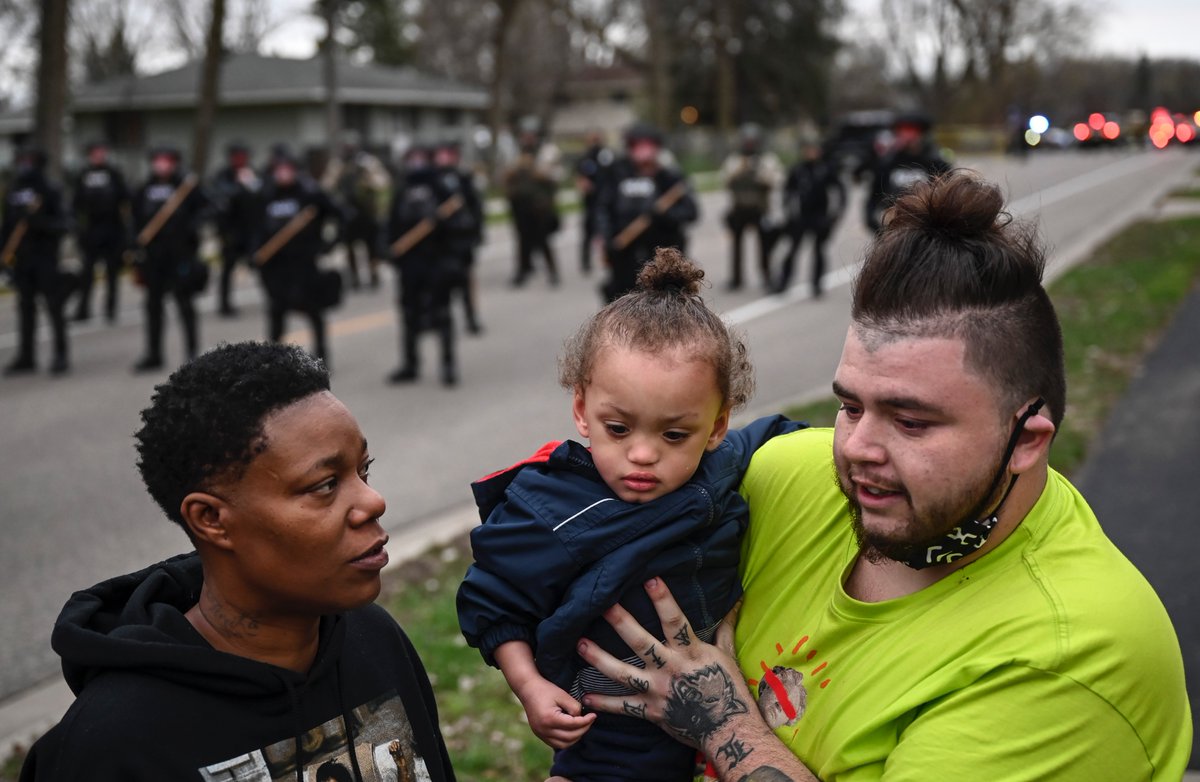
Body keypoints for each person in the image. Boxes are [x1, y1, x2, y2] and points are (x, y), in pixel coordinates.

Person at [576, 171, 1192, 781]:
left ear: (1024, 441)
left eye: (912, 421)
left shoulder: (1072, 655)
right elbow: (582, 488)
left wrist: (723, 725)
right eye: (850, 406)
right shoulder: (787, 475)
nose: (856, 449)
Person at [18, 341, 456, 781]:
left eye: (364, 470)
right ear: (211, 519)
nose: (373, 501)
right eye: (324, 485)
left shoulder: (374, 638)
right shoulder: (110, 743)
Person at [457, 247, 805, 781]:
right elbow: (492, 600)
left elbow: (791, 439)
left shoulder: (726, 460)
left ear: (715, 426)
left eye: (673, 434)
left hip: (740, 717)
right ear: (581, 410)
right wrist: (529, 686)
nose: (642, 454)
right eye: (618, 429)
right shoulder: (551, 509)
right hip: (614, 744)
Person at [254, 147, 342, 365]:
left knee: (313, 310)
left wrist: (329, 244)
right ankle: (272, 360)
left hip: (304, 263)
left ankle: (322, 356)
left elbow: (340, 215)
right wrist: (254, 252)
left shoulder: (309, 194)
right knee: (276, 312)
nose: (283, 174)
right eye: (279, 169)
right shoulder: (266, 196)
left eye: (287, 169)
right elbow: (254, 229)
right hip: (276, 266)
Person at [595, 124, 698, 304]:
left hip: (662, 259)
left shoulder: (670, 176)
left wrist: (665, 215)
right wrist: (607, 237)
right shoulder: (617, 174)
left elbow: (691, 212)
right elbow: (603, 208)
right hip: (625, 255)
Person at [129, 145, 210, 373]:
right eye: (158, 160)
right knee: (153, 305)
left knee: (184, 303)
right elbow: (134, 219)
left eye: (167, 160)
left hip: (180, 255)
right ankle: (154, 353)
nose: (162, 165)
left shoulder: (187, 187)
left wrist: (192, 226)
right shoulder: (145, 188)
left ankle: (193, 354)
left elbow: (207, 209)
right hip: (154, 257)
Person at [386, 145, 461, 387]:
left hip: (436, 262)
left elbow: (462, 221)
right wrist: (386, 249)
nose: (416, 163)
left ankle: (448, 364)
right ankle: (410, 364)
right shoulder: (402, 189)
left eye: (421, 158)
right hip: (410, 264)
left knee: (442, 312)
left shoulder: (441, 188)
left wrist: (442, 224)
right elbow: (390, 223)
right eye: (412, 158)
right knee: (409, 313)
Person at [1, 144, 70, 375]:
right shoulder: (15, 191)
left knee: (53, 306)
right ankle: (26, 357)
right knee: (25, 308)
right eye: (22, 160)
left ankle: (61, 354)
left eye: (29, 160)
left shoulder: (50, 190)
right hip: (22, 260)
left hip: (46, 259)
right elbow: (8, 227)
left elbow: (64, 225)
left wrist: (39, 222)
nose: (25, 165)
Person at [774, 139, 846, 297]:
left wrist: (835, 214)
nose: (811, 153)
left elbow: (840, 192)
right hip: (801, 216)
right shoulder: (798, 170)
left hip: (820, 216)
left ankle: (817, 284)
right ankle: (783, 282)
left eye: (814, 150)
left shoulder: (826, 169)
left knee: (819, 250)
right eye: (808, 150)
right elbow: (787, 191)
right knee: (793, 249)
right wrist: (788, 211)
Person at [70, 139, 131, 323]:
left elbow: (126, 199)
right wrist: (78, 228)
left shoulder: (114, 174)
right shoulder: (83, 175)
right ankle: (83, 310)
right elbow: (75, 204)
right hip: (91, 230)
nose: (98, 155)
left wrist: (126, 231)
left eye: (101, 151)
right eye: (95, 152)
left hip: (112, 230)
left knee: (112, 273)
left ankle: (110, 310)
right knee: (87, 273)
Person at [720, 123, 784, 291]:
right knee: (736, 247)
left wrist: (760, 173)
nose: (749, 144)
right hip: (739, 209)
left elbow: (776, 180)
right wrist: (741, 169)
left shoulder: (767, 160)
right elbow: (725, 180)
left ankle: (767, 276)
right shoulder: (734, 160)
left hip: (760, 209)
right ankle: (736, 279)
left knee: (764, 246)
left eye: (752, 141)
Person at [864, 111, 951, 232]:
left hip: (928, 224)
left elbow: (950, 193)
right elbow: (875, 192)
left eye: (912, 131)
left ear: (922, 133)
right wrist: (871, 218)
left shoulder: (936, 161)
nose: (908, 136)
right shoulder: (888, 161)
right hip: (893, 223)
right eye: (903, 131)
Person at [433, 139, 485, 335]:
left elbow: (476, 208)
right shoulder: (434, 179)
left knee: (466, 281)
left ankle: (471, 317)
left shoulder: (464, 178)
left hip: (463, 240)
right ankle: (439, 318)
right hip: (442, 243)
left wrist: (477, 232)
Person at [503, 116, 563, 287]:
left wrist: (538, 170)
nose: (527, 138)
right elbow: (505, 176)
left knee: (543, 240)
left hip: (540, 205)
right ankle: (522, 271)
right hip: (520, 204)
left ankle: (553, 272)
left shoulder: (546, 152)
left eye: (531, 134)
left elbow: (556, 176)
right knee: (523, 240)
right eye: (525, 135)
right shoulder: (515, 153)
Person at [326, 135, 391, 291]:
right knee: (349, 246)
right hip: (347, 211)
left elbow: (382, 182)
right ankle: (354, 276)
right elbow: (328, 185)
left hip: (367, 211)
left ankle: (373, 274)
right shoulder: (338, 164)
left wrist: (367, 177)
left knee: (372, 246)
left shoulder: (368, 162)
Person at [210, 141, 262, 317]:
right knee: (228, 268)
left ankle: (273, 299)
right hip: (231, 232)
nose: (240, 160)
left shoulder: (252, 173)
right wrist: (240, 186)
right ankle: (224, 304)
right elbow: (221, 196)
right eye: (237, 156)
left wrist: (250, 184)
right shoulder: (223, 176)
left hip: (251, 231)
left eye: (243, 156)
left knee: (261, 264)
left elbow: (261, 195)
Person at [574, 130, 615, 276]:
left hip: (605, 201)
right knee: (588, 233)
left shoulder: (606, 157)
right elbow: (580, 177)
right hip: (590, 202)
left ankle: (609, 259)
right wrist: (583, 184)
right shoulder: (585, 159)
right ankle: (585, 262)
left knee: (607, 232)